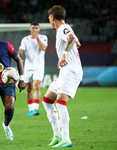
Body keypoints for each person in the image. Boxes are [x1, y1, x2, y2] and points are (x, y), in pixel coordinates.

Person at [42, 5, 83, 148]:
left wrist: (65, 53)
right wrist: (69, 48)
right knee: (47, 100)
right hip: (66, 70)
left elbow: (71, 39)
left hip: (70, 71)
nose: (49, 21)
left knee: (60, 102)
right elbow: (77, 43)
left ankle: (66, 139)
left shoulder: (63, 29)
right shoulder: (64, 29)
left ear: (52, 17)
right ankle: (57, 135)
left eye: (49, 18)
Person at [19, 22, 48, 116]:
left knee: (36, 86)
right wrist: (19, 57)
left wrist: (37, 38)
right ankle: (31, 109)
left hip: (38, 67)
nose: (35, 29)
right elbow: (21, 50)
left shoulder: (43, 38)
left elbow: (43, 48)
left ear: (39, 29)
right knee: (29, 88)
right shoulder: (25, 39)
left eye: (36, 28)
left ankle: (35, 108)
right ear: (30, 29)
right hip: (28, 67)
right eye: (33, 28)